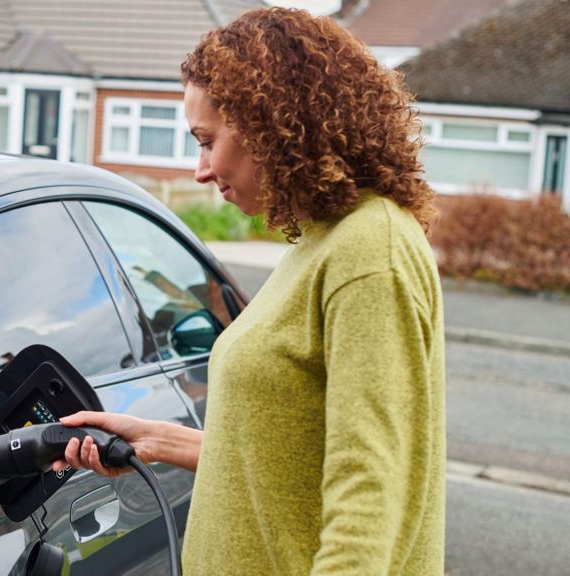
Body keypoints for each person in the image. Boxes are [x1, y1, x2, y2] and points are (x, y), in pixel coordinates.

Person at [52, 7, 445, 575]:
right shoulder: (321, 241)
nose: (200, 170)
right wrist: (159, 440)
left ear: (273, 122)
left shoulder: (369, 251)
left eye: (207, 141)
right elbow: (290, 459)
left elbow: (369, 488)